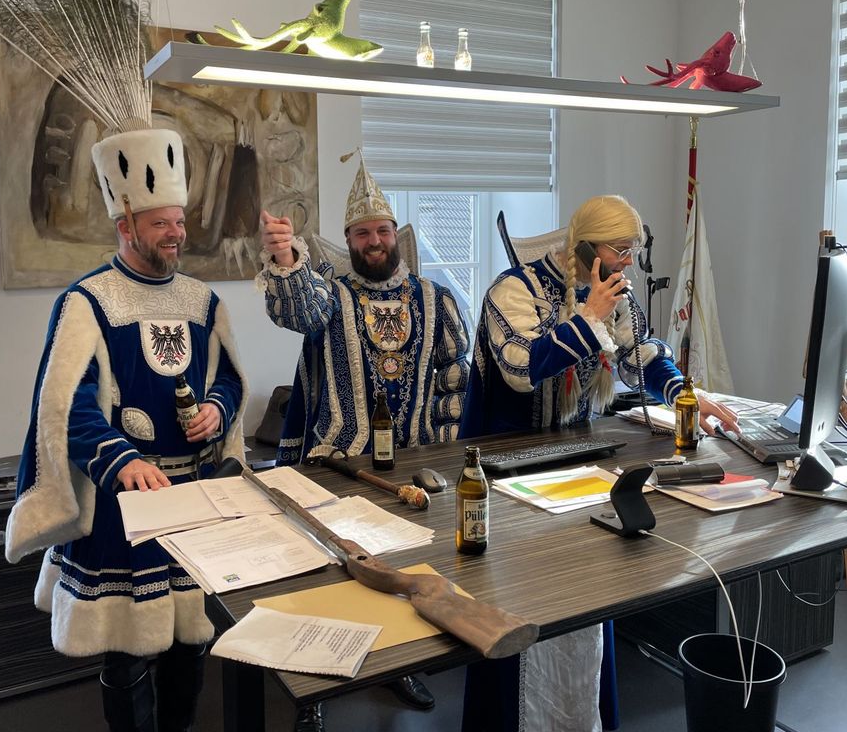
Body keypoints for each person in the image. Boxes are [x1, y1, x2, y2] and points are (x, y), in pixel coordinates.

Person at [460, 193, 740, 732]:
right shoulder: (511, 290)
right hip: (505, 474)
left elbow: (641, 355)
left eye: (632, 250)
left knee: (586, 595)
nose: (628, 262)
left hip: (573, 468)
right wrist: (589, 316)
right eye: (619, 250)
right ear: (588, 249)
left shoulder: (615, 293)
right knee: (514, 609)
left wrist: (684, 394)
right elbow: (521, 369)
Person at [5, 128, 247, 732]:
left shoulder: (204, 302)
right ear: (126, 226)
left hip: (192, 500)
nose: (176, 234)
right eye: (161, 223)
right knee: (127, 653)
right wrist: (121, 459)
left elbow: (230, 378)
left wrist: (217, 408)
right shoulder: (86, 302)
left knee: (190, 644)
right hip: (122, 509)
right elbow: (66, 405)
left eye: (179, 222)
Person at [257, 152, 470, 732]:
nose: (374, 242)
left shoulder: (436, 298)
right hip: (336, 465)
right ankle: (315, 689)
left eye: (382, 231)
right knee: (330, 578)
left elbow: (455, 372)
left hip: (410, 471)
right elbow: (296, 310)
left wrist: (440, 445)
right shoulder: (330, 296)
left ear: (396, 234)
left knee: (407, 573)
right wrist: (286, 258)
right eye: (361, 234)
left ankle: (400, 664)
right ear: (348, 241)